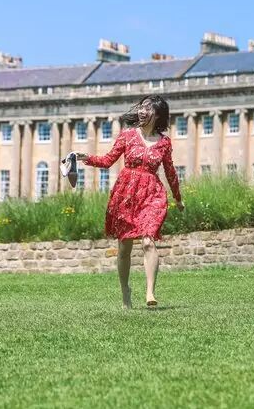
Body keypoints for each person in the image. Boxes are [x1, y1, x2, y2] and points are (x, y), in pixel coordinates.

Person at [76, 95, 185, 309]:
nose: (142, 111)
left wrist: (178, 198)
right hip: (126, 194)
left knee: (148, 241)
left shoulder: (164, 143)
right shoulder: (127, 135)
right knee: (124, 248)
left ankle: (150, 291)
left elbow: (170, 172)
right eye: (141, 107)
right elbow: (108, 161)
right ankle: (125, 290)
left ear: (157, 115)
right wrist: (85, 157)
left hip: (152, 194)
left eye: (148, 108)